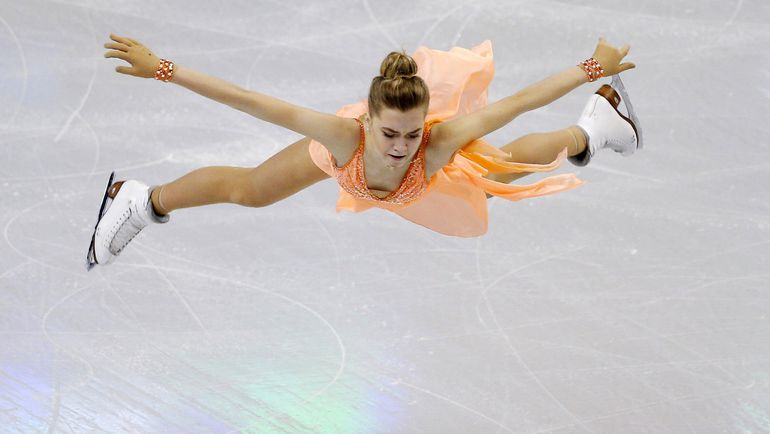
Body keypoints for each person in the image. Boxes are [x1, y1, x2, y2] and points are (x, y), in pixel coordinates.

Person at [86, 33, 639, 269]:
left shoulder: (436, 143)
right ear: (367, 119)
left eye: (412, 133)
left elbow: (520, 100)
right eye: (390, 133)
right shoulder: (342, 137)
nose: (401, 147)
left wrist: (593, 68)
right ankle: (139, 198)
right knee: (250, 191)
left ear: (427, 125)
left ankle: (593, 125)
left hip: (428, 186)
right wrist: (162, 68)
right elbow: (248, 99)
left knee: (503, 166)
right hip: (352, 171)